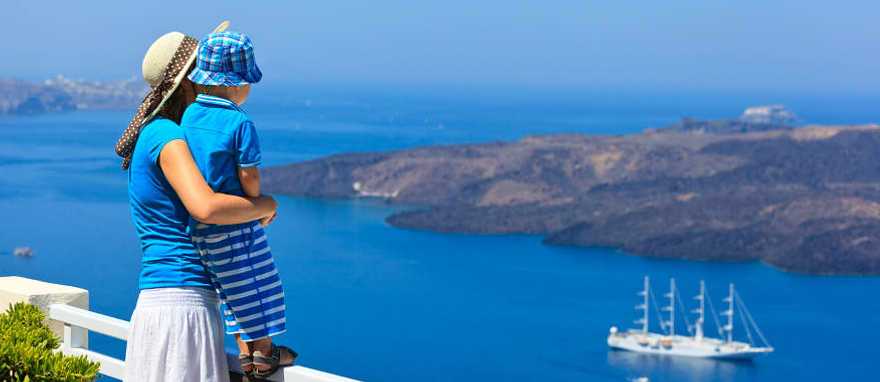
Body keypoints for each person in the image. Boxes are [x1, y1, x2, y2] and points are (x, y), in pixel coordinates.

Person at [116, 22, 278, 382]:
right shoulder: (167, 136)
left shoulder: (154, 133)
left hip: (162, 303)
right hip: (182, 303)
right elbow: (205, 207)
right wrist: (265, 205)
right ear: (191, 81)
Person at [182, 30, 296, 379]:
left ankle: (247, 355)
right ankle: (263, 354)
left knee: (230, 288)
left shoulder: (188, 118)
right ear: (236, 84)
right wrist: (259, 204)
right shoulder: (239, 121)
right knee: (258, 283)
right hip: (235, 219)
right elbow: (249, 176)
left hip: (202, 228)